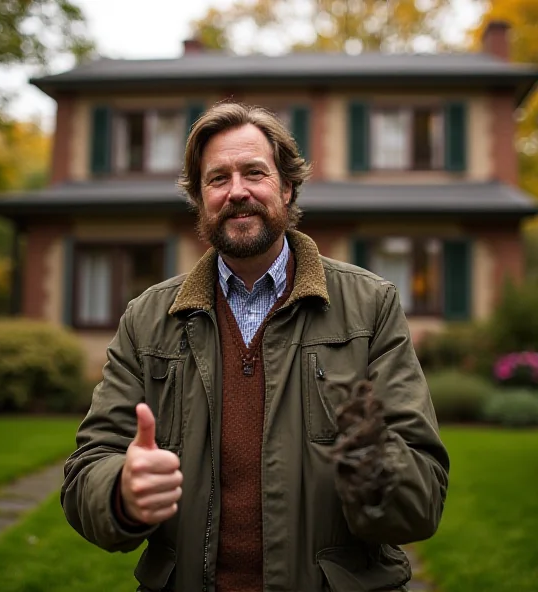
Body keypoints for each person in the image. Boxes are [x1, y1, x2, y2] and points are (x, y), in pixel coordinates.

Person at [61, 103, 449, 592]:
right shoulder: (147, 318)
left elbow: (425, 498)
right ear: (199, 199)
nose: (237, 191)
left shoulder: (370, 307)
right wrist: (121, 493)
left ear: (286, 187)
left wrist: (375, 465)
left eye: (254, 173)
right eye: (217, 178)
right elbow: (85, 474)